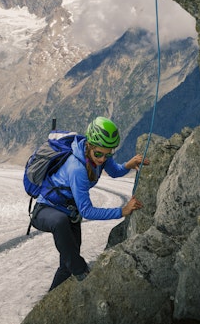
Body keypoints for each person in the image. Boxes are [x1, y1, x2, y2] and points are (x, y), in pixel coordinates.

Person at [30, 116, 149, 291]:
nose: (102, 159)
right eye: (99, 154)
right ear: (89, 146)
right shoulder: (77, 168)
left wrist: (128, 165)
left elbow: (114, 171)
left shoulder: (99, 155)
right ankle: (81, 270)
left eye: (108, 154)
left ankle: (49, 304)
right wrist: (122, 211)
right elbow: (87, 211)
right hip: (46, 211)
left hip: (70, 214)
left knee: (66, 266)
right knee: (72, 257)